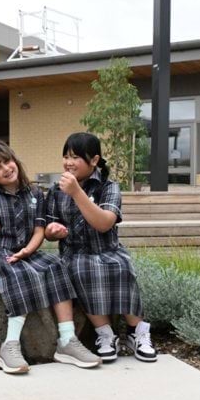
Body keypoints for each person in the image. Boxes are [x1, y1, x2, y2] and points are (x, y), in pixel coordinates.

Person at [0, 140, 101, 374]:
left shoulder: (34, 192)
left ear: (14, 160)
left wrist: (28, 251)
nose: (6, 168)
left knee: (56, 267)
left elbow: (39, 229)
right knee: (20, 273)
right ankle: (9, 345)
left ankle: (67, 341)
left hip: (25, 250)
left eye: (7, 161)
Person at [45, 132, 157, 363]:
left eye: (75, 157)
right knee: (82, 270)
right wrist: (53, 231)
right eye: (66, 156)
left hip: (109, 250)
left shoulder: (108, 186)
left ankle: (138, 332)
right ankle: (105, 334)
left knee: (122, 266)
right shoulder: (56, 190)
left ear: (94, 160)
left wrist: (77, 193)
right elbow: (48, 227)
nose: (68, 162)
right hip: (75, 253)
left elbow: (105, 223)